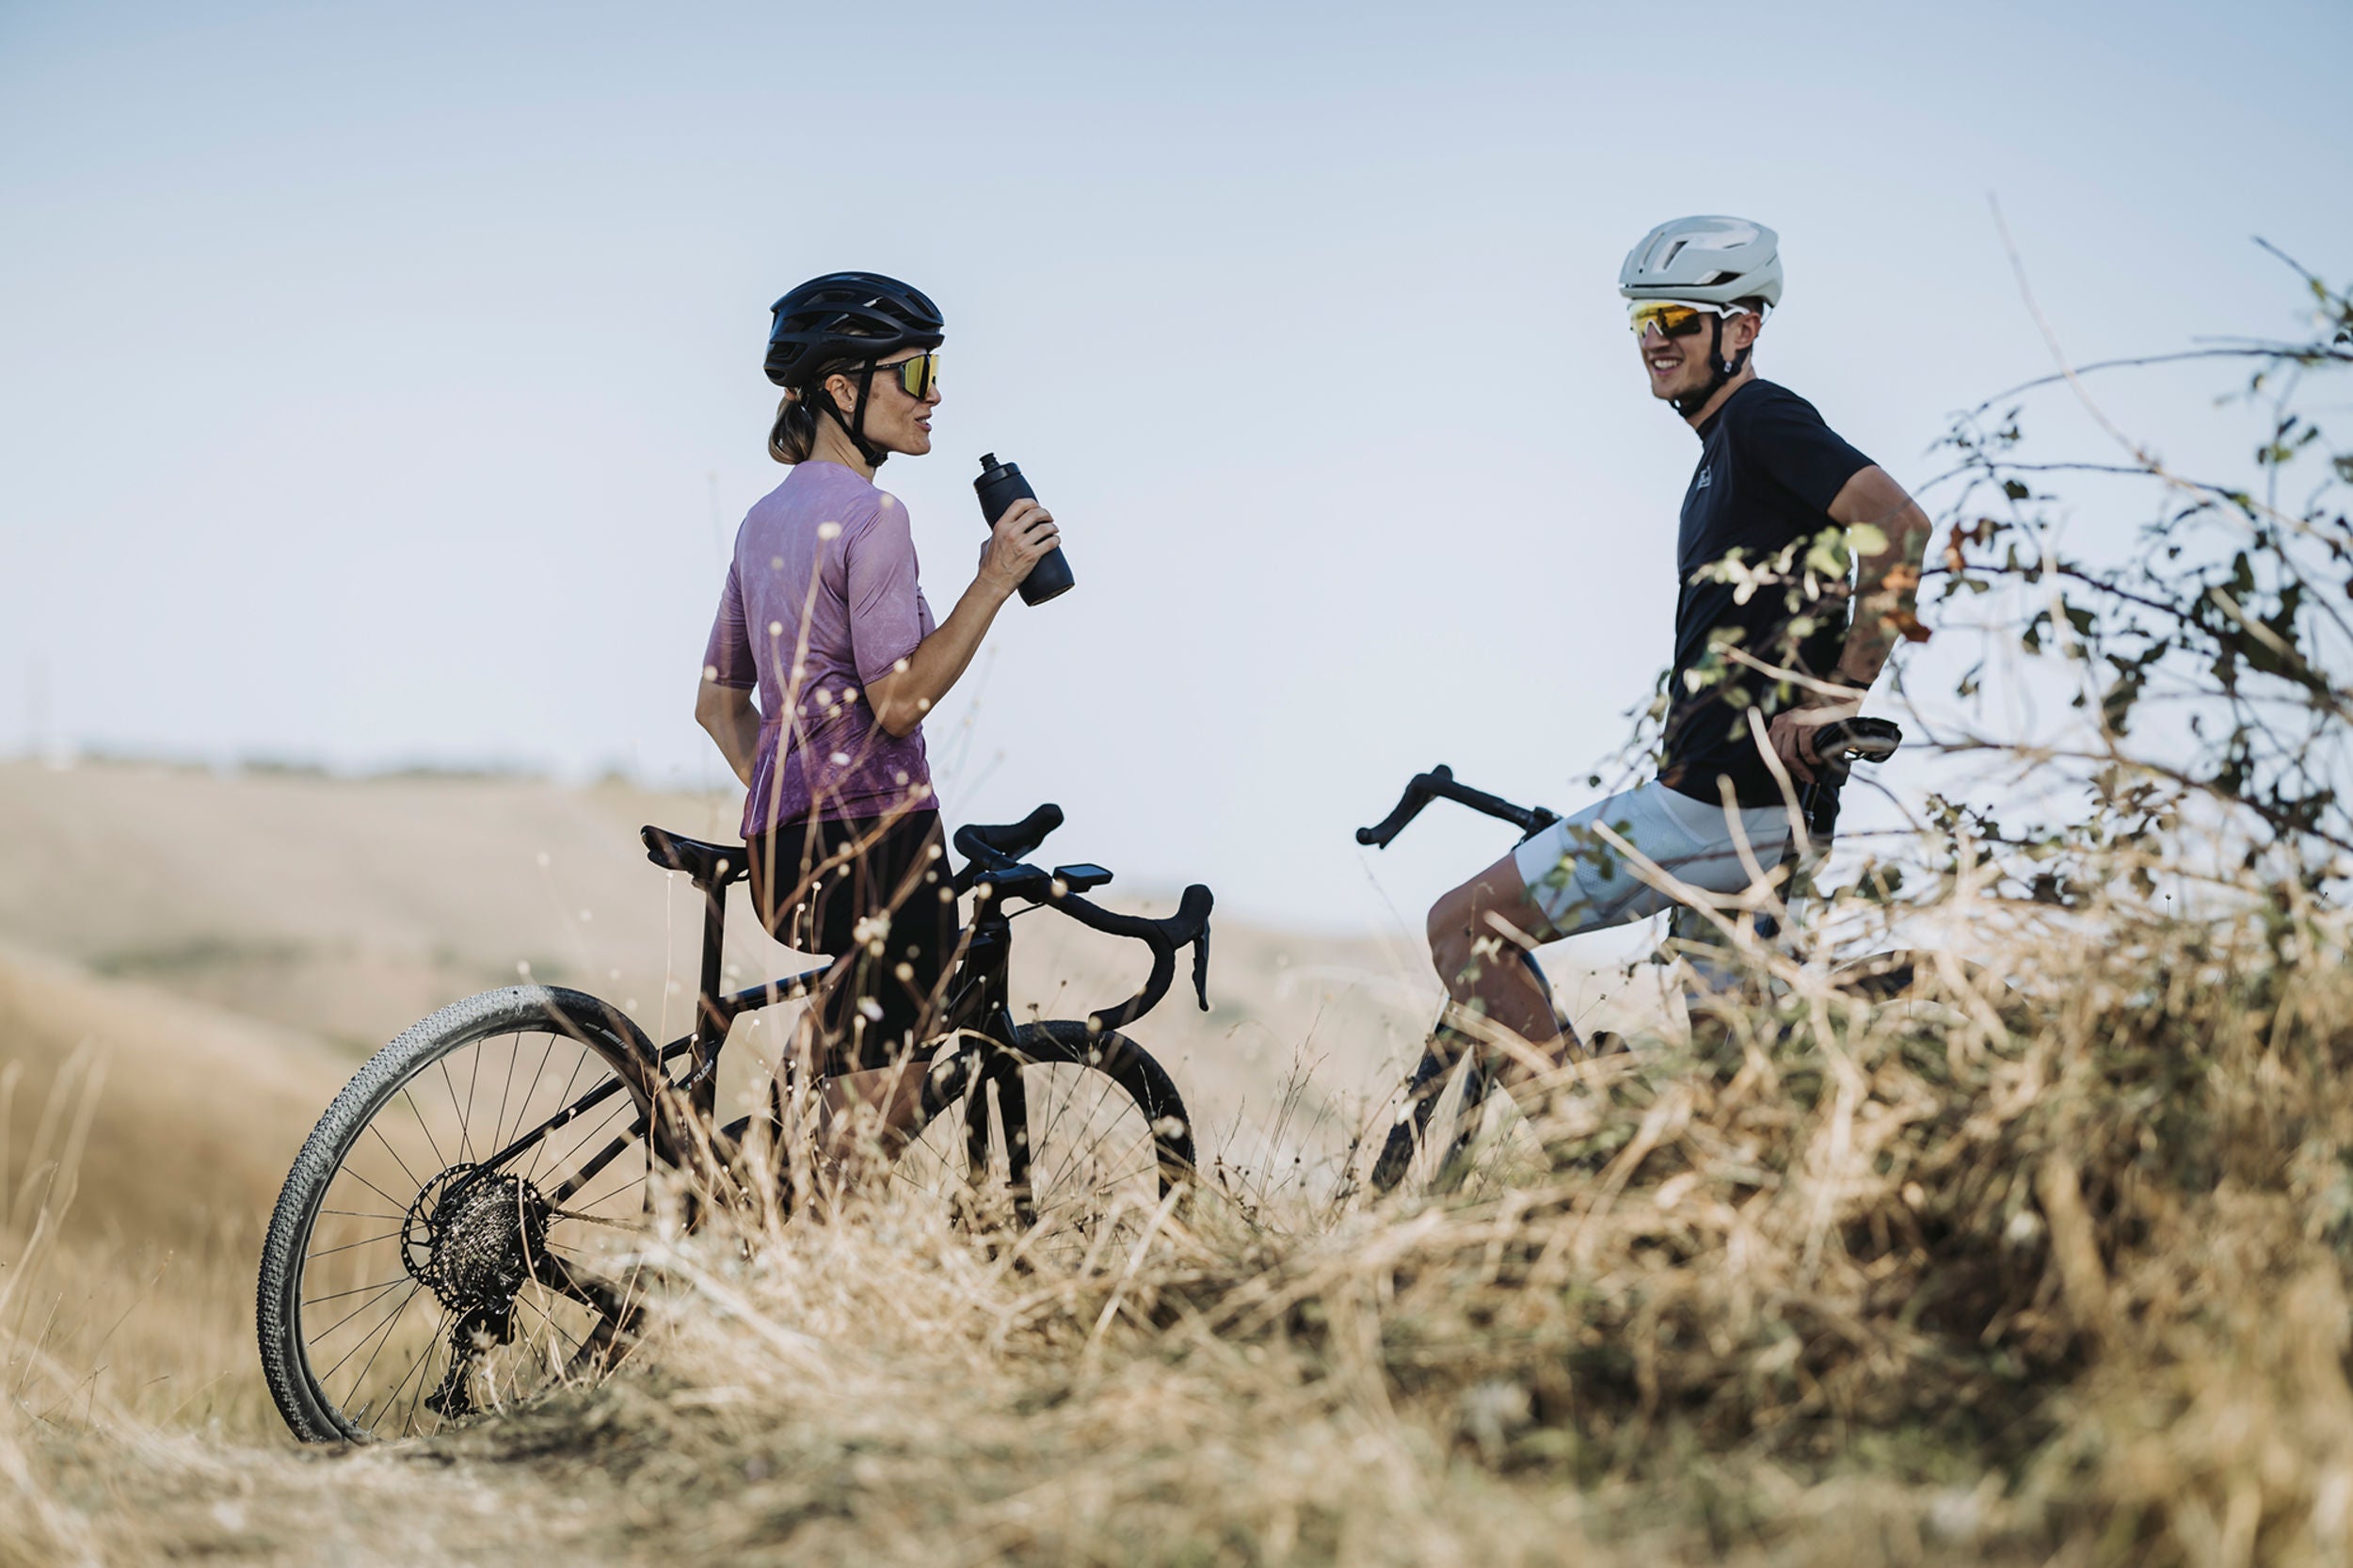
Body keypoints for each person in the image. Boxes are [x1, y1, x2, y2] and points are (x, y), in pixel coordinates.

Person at [1425, 216, 1931, 1075]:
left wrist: (1836, 700)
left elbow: (1898, 526)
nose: (1655, 340)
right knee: (1736, 1089)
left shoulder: (1762, 418)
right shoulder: (1719, 454)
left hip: (1717, 805)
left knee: (1464, 926)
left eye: (1678, 320)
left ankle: (1579, 1131)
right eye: (1643, 320)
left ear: (1744, 328)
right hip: (1749, 811)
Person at [696, 271, 1063, 1160]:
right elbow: (898, 702)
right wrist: (995, 579)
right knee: (862, 1149)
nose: (935, 396)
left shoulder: (760, 522)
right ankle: (819, 1235)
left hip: (782, 855)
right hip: (881, 846)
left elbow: (716, 704)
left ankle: (760, 1189)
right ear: (842, 386)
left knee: (829, 1093)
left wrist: (796, 790)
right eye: (917, 372)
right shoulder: (875, 517)